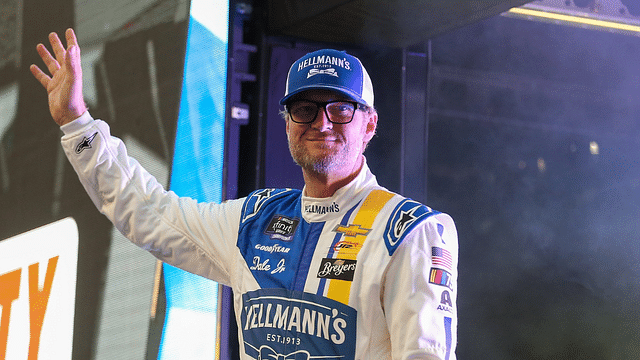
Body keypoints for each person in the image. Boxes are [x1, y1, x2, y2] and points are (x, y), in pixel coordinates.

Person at [31, 28, 458, 360]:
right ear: (288, 123)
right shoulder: (254, 220)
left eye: (340, 108)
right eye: (305, 109)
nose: (322, 123)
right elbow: (150, 213)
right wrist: (78, 123)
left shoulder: (410, 230)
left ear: (368, 124)